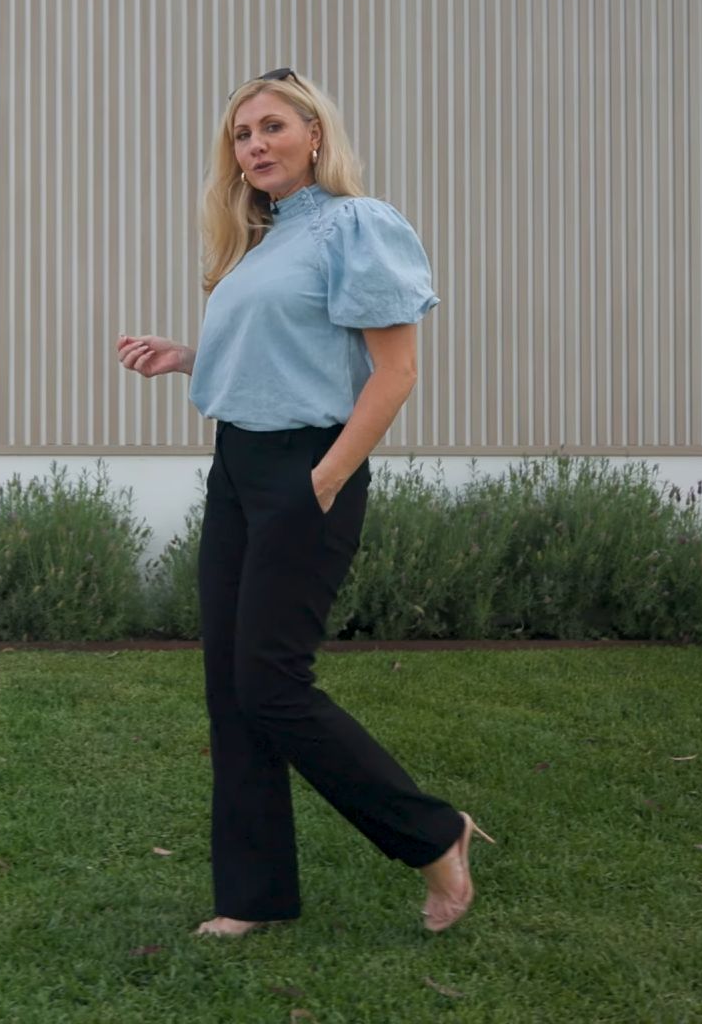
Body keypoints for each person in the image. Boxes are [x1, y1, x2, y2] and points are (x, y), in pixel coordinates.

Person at [115, 66, 491, 938]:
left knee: (272, 685)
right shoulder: (266, 239)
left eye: (272, 126)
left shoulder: (356, 225)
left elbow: (396, 373)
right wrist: (186, 357)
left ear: (316, 134)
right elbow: (277, 356)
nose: (255, 145)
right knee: (231, 688)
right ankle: (251, 895)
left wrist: (323, 480)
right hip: (238, 469)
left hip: (306, 470)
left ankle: (433, 833)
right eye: (242, 135)